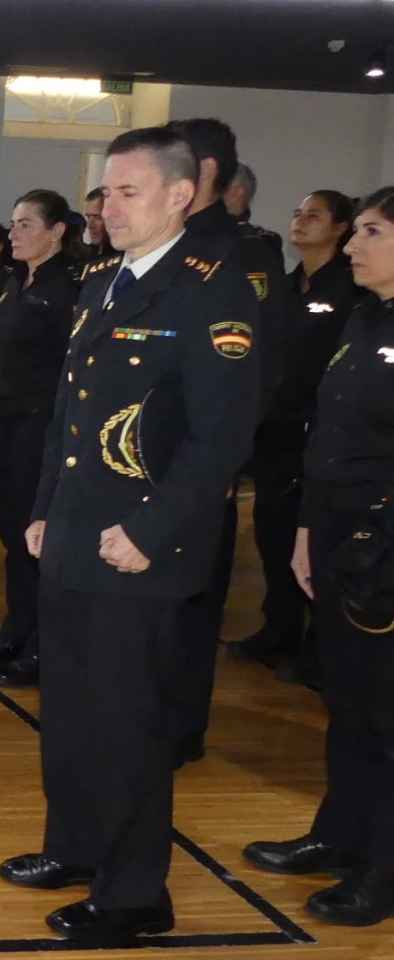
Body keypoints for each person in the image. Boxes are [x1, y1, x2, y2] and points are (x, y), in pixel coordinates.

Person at [0, 126, 259, 945]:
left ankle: (137, 892)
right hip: (75, 532)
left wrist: (149, 531)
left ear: (182, 196)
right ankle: (76, 845)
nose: (108, 207)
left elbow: (221, 437)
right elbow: (68, 416)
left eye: (127, 191)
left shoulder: (214, 291)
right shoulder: (103, 281)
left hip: (140, 546)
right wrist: (42, 507)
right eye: (104, 192)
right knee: (72, 710)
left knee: (129, 723)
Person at [241, 187, 394, 927]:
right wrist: (307, 531)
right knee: (350, 703)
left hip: (384, 544)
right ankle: (340, 834)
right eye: (356, 230)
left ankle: (382, 870)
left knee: (387, 711)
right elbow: (328, 435)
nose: (355, 245)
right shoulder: (364, 317)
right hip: (334, 532)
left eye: (370, 231)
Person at [165, 117, 292, 764]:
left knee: (188, 605)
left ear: (205, 174)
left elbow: (255, 373)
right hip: (131, 461)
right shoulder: (157, 245)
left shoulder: (243, 254)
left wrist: (216, 464)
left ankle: (177, 728)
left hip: (193, 465)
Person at [230, 190, 361, 675]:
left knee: (321, 542)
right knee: (274, 533)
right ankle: (278, 628)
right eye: (297, 212)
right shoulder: (284, 287)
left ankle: (317, 646)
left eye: (315, 215)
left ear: (340, 227)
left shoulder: (351, 291)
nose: (302, 222)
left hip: (323, 433)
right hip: (278, 433)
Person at [0, 190, 81, 686]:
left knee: (36, 539)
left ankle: (40, 646)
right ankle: (15, 629)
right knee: (12, 535)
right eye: (13, 224)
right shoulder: (13, 282)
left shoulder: (69, 288)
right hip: (5, 424)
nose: (15, 234)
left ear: (56, 231)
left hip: (41, 426)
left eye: (27, 225)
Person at [82, 187, 110, 258]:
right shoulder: (84, 256)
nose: (90, 225)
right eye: (88, 217)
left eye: (97, 217)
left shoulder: (128, 256)